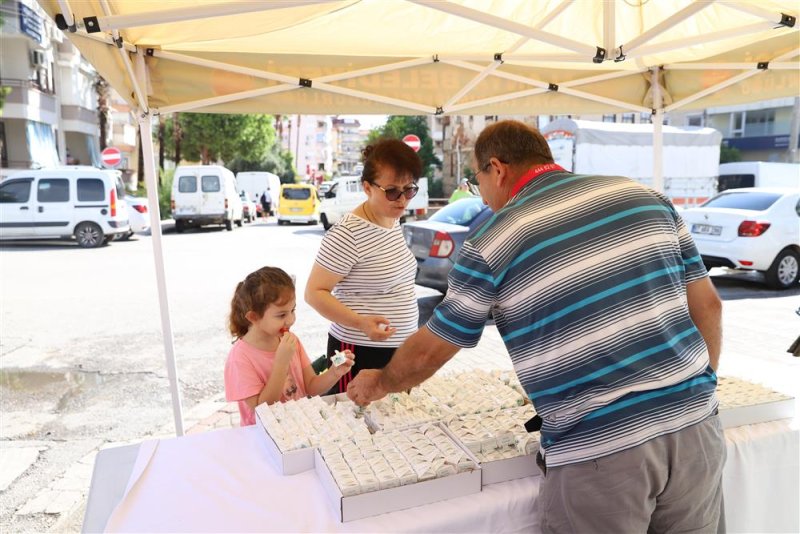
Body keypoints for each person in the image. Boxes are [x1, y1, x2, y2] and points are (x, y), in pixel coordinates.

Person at [348, 120, 725, 533]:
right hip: (698, 430)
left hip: (602, 450)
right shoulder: (646, 199)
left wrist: (381, 381)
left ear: (497, 168)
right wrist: (697, 388)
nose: (484, 196)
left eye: (477, 182)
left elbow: (428, 351)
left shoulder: (494, 240)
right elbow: (708, 306)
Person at [305, 138, 422, 394]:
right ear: (367, 187)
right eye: (392, 191)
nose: (402, 199)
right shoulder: (347, 233)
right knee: (357, 426)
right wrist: (360, 323)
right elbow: (314, 293)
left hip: (398, 350)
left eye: (409, 189)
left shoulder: (391, 220)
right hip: (358, 353)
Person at [224, 266, 354, 426]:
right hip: (263, 437)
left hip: (298, 427)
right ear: (253, 317)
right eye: (281, 315)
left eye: (292, 310)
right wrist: (281, 363)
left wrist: (334, 372)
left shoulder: (291, 341)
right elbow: (262, 409)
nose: (291, 319)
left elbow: (310, 386)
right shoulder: (240, 358)